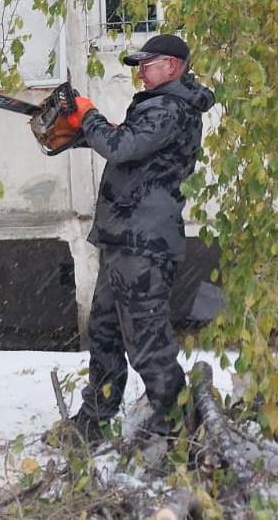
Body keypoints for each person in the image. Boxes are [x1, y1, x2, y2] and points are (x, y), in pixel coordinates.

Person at [48, 34, 216, 446]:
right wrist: (78, 131)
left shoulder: (172, 108)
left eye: (149, 62)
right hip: (123, 239)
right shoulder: (156, 107)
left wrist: (88, 116)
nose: (141, 70)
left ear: (174, 66)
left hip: (143, 243)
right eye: (139, 64)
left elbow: (122, 146)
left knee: (147, 341)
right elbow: (128, 143)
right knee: (104, 331)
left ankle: (179, 431)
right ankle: (95, 419)